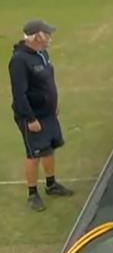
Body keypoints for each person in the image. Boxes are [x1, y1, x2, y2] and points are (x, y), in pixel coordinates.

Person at [9, 20, 73, 212]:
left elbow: (48, 82)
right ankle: (32, 194)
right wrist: (30, 119)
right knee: (34, 154)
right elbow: (19, 94)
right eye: (47, 33)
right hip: (33, 116)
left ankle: (51, 184)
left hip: (48, 112)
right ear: (37, 36)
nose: (50, 37)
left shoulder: (42, 54)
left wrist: (54, 104)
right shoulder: (19, 61)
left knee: (49, 148)